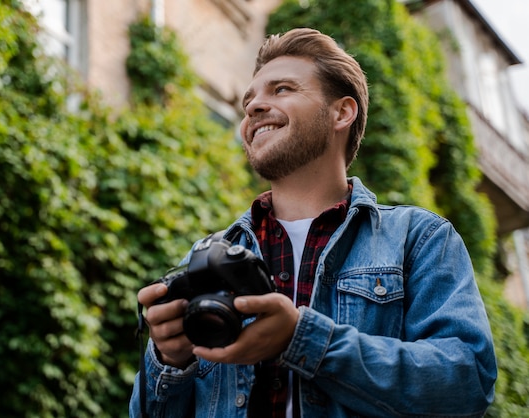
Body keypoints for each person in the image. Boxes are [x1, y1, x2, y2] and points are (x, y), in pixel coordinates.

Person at [129, 27, 497, 417]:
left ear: (342, 112)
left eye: (282, 89)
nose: (254, 107)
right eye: (248, 100)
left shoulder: (419, 238)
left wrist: (301, 339)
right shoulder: (206, 256)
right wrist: (170, 361)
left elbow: (467, 380)